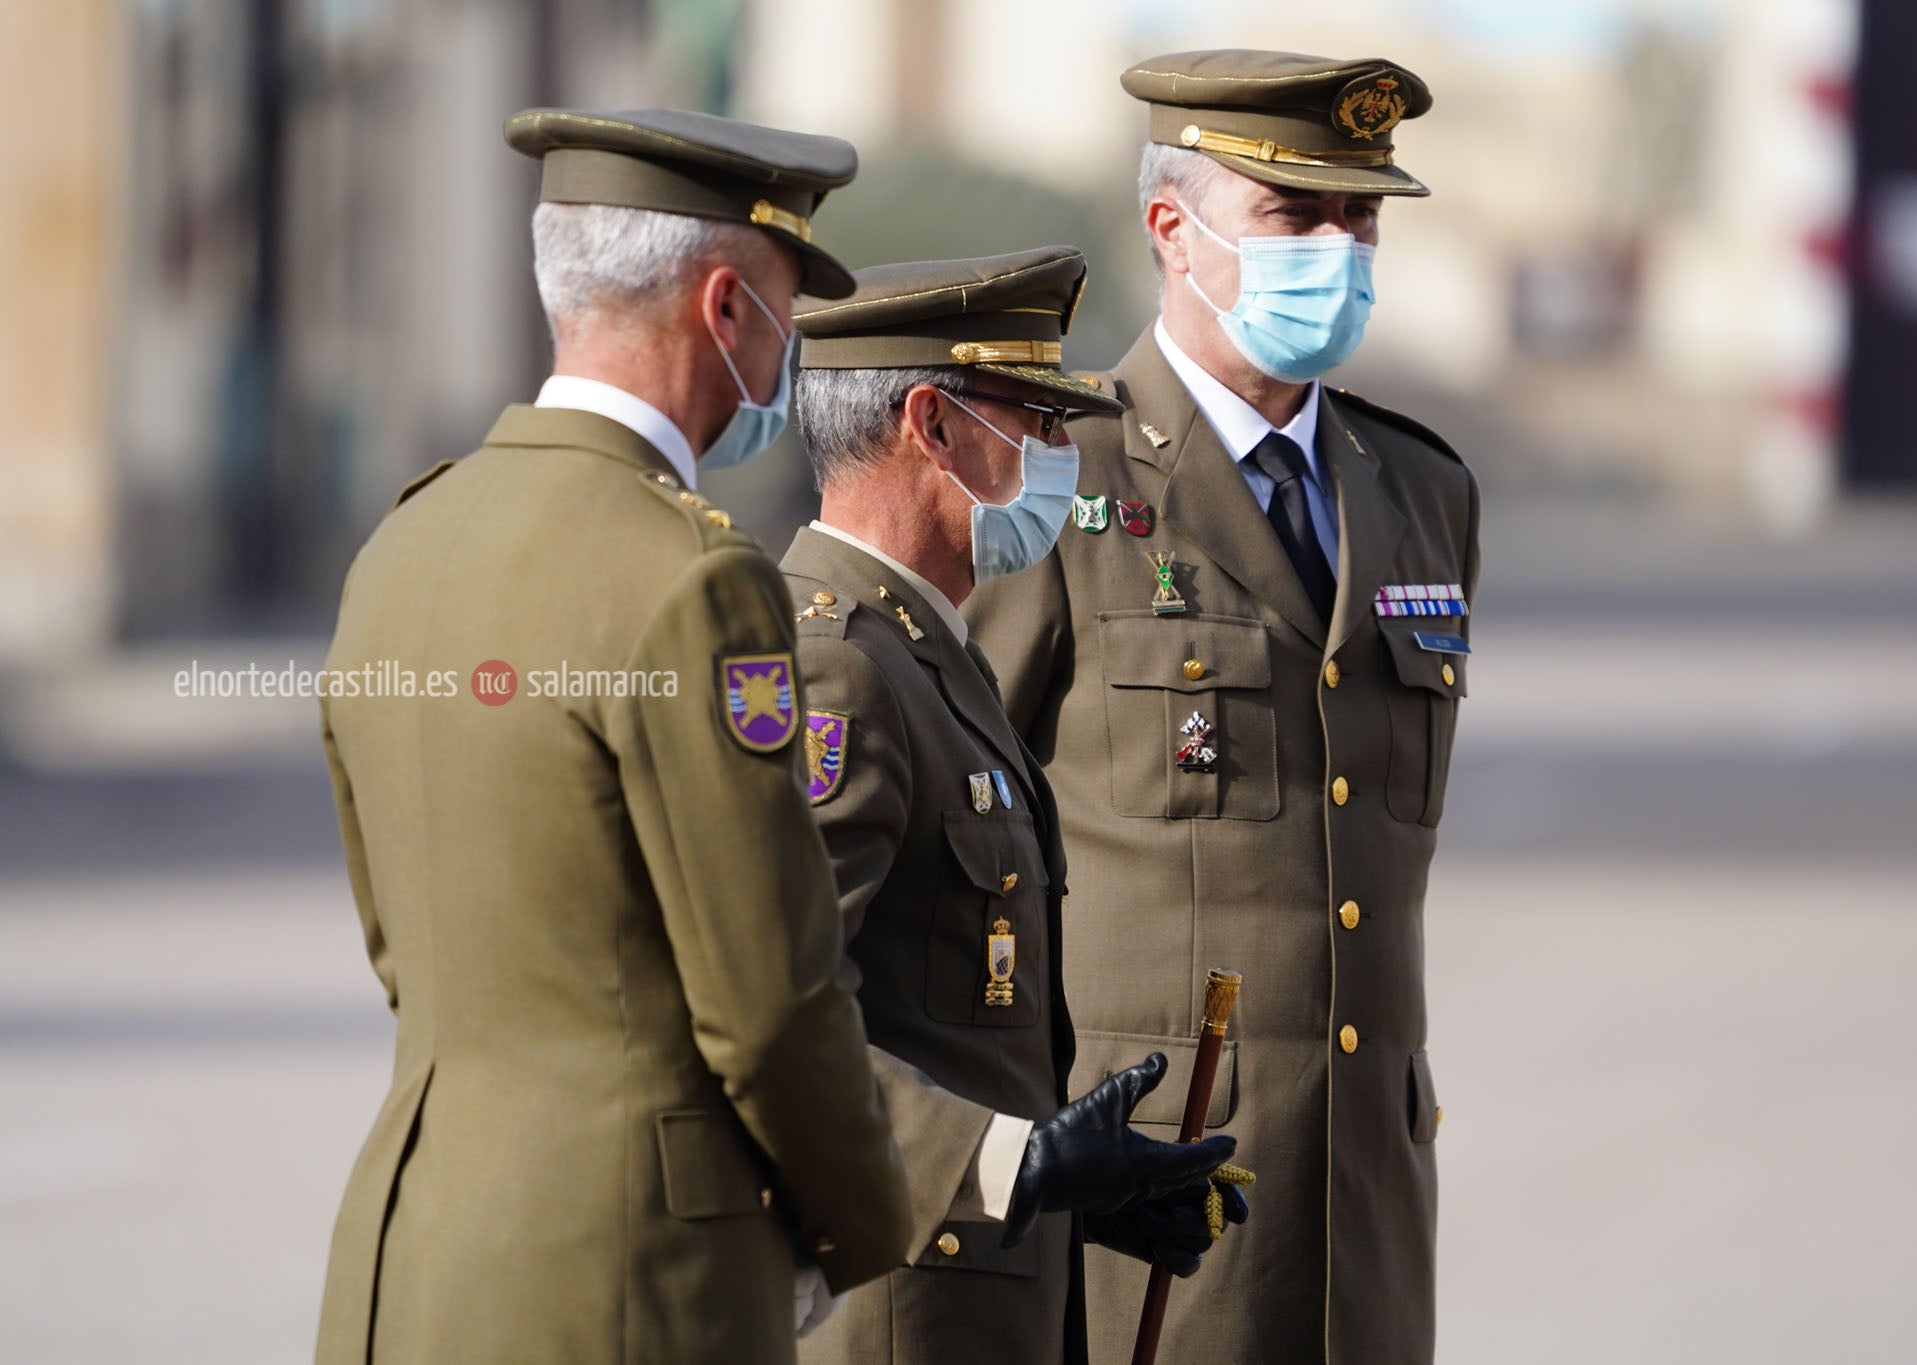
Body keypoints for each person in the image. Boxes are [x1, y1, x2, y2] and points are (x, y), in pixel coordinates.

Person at [313, 106, 912, 1365]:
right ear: (725, 311)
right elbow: (768, 999)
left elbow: (400, 947)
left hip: (413, 1251)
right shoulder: (688, 578)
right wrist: (863, 1225)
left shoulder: (403, 546)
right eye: (787, 314)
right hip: (631, 1274)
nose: (789, 355)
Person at [961, 53, 1482, 1364]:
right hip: (1141, 1195)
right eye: (1295, 218)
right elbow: (954, 852)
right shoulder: (1050, 476)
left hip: (1363, 1197)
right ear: (1171, 233)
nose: (1341, 253)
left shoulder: (1419, 494)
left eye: (1361, 221)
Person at [782, 246, 1247, 1365]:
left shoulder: (924, 650)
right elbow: (778, 1016)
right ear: (932, 427)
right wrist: (1013, 1161)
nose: (1060, 458)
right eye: (1034, 423)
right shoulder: (835, 666)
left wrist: (1082, 1179)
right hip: (899, 1312)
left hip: (982, 1298)